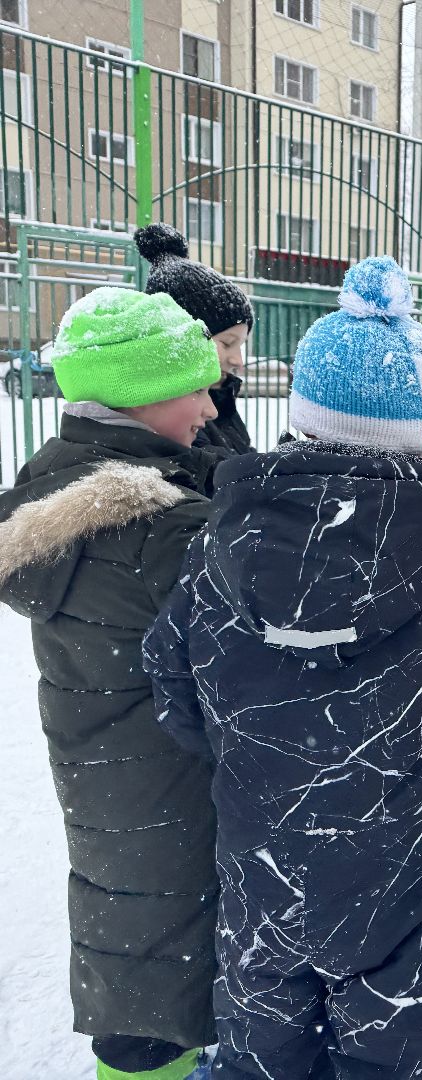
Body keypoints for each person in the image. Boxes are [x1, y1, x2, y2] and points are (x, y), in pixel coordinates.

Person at [143, 257, 422, 1079]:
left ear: (302, 413)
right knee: (407, 1059)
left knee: (264, 1056)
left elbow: (175, 689)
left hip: (265, 872)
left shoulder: (222, 539)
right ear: (421, 420)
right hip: (411, 885)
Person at [0, 289, 224, 1080]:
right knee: (176, 968)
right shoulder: (162, 529)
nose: (209, 402)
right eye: (194, 385)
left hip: (108, 782)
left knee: (136, 955)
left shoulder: (53, 487)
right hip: (176, 782)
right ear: (141, 394)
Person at [136, 222, 257, 455]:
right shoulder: (173, 422)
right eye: (227, 343)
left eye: (241, 345)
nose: (238, 361)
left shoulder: (220, 398)